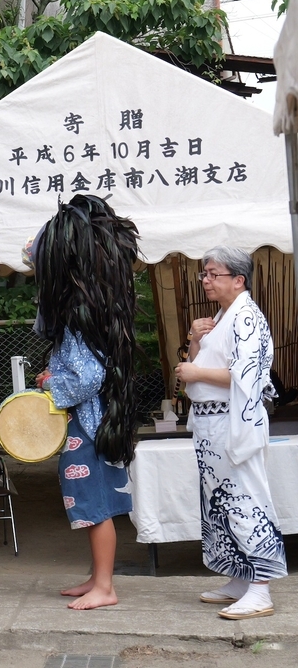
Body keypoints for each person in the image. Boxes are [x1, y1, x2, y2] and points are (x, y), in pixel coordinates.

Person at [31, 194, 139, 610]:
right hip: (101, 421)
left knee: (95, 507)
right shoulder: (94, 308)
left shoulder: (78, 314)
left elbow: (87, 377)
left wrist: (51, 386)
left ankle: (105, 587)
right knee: (100, 505)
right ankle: (97, 577)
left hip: (88, 426)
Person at [175, 246, 286, 620]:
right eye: (204, 274)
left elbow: (250, 377)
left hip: (232, 420)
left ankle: (261, 588)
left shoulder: (247, 317)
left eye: (213, 274)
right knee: (219, 502)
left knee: (244, 499)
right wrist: (193, 339)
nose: (205, 280)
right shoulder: (221, 317)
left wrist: (197, 373)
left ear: (238, 279)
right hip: (210, 419)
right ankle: (240, 576)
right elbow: (199, 364)